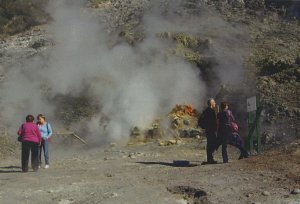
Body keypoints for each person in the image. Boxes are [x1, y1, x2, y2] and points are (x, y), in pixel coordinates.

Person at [199, 98, 218, 164]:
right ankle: (210, 159)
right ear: (211, 103)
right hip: (212, 130)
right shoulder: (211, 111)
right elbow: (214, 122)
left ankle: (210, 159)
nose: (215, 103)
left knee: (210, 144)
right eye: (214, 102)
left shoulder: (205, 111)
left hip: (208, 130)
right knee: (212, 144)